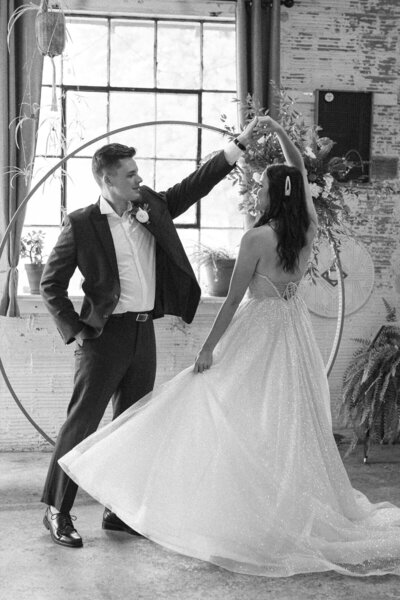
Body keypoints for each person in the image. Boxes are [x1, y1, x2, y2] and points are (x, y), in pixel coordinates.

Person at [59, 116, 400, 577]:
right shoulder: (307, 228)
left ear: (272, 196)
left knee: (215, 404)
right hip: (293, 332)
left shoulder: (256, 237)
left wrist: (208, 349)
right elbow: (297, 173)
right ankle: (271, 503)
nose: (255, 194)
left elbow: (234, 300)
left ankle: (219, 503)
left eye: (260, 188)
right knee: (285, 416)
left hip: (255, 329)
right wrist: (279, 135)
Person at [40, 118, 259, 548]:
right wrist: (77, 331)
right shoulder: (82, 223)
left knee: (133, 426)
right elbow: (51, 284)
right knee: (81, 425)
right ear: (107, 179)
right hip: (103, 338)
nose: (139, 179)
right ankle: (57, 511)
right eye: (130, 174)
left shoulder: (151, 206)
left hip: (145, 335)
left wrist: (236, 149)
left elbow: (194, 185)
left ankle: (117, 512)